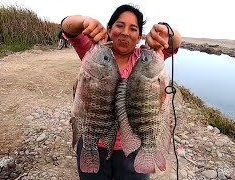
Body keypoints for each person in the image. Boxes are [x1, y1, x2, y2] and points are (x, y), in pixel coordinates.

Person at [61, 4, 181, 180]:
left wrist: (165, 31)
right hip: (94, 139)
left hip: (133, 147)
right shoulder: (94, 54)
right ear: (109, 29)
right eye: (119, 25)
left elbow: (174, 42)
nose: (125, 32)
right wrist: (85, 22)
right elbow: (67, 27)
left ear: (139, 36)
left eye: (133, 29)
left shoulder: (147, 59)